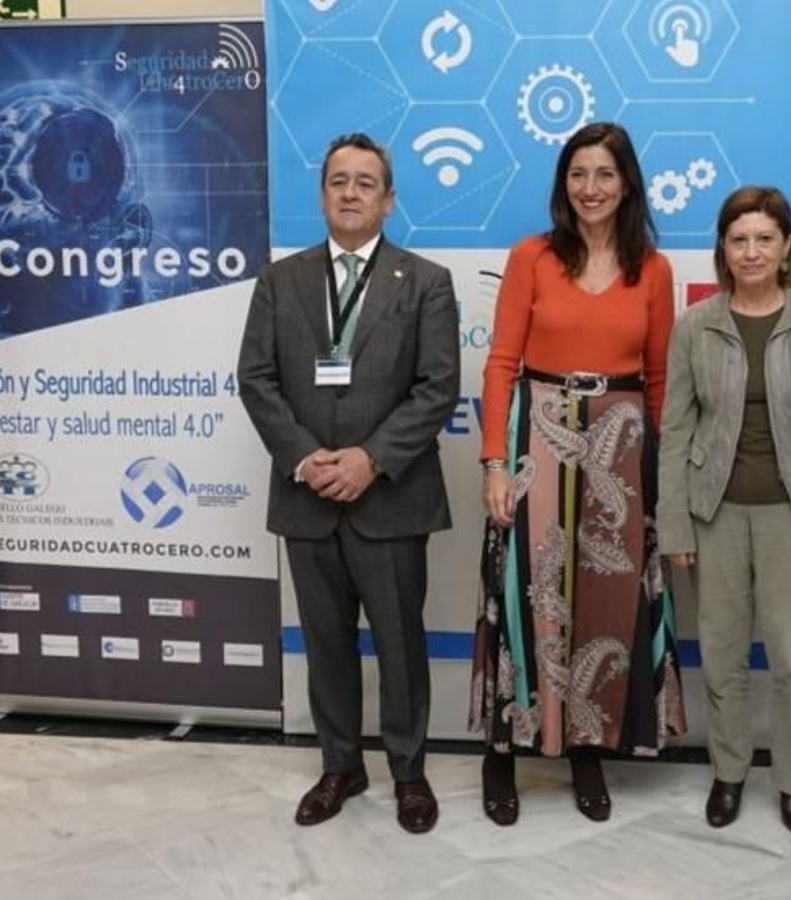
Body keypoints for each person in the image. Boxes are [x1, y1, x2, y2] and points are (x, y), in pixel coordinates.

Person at [237, 132, 459, 835]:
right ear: (323, 193)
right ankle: (341, 765)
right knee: (326, 644)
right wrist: (307, 459)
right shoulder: (281, 281)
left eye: (367, 182)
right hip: (308, 498)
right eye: (339, 180)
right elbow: (257, 379)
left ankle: (408, 771)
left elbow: (437, 387)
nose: (351, 192)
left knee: (400, 645)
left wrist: (369, 458)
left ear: (389, 199)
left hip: (390, 497)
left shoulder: (424, 282)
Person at [469, 122, 685, 826]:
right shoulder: (531, 256)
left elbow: (659, 382)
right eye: (577, 174)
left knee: (601, 606)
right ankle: (502, 750)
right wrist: (495, 464)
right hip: (537, 435)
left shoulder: (652, 268)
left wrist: (659, 475)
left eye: (604, 175)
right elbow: (502, 361)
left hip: (622, 447)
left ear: (627, 184)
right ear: (564, 184)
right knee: (524, 599)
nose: (590, 189)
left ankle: (584, 748)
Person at [657, 186, 791, 836]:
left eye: (764, 239)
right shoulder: (695, 325)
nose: (751, 251)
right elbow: (677, 432)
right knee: (721, 656)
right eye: (739, 239)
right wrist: (677, 523)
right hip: (715, 513)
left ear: (787, 247)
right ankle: (730, 773)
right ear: (722, 248)